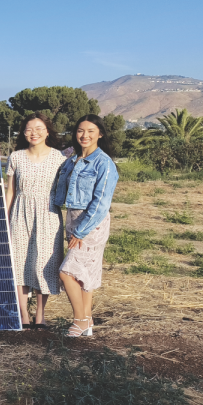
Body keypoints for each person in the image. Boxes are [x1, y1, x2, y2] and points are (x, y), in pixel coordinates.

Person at [52, 114, 119, 338]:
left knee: (67, 272)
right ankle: (87, 321)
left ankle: (79, 320)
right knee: (85, 274)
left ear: (100, 134)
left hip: (91, 224)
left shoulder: (104, 163)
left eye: (91, 131)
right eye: (81, 130)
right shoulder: (72, 159)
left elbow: (101, 204)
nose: (85, 135)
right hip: (73, 218)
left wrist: (81, 231)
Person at [4, 113, 66, 329]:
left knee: (44, 264)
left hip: (48, 214)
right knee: (19, 263)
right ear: (23, 133)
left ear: (48, 131)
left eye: (39, 128)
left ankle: (40, 316)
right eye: (29, 129)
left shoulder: (59, 157)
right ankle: (23, 316)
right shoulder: (16, 157)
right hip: (20, 213)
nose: (34, 133)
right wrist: (6, 217)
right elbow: (10, 191)